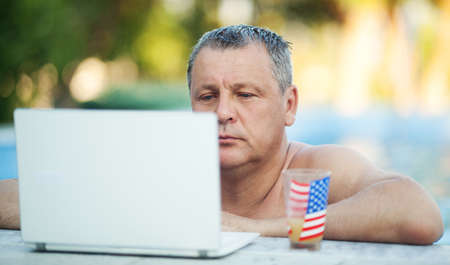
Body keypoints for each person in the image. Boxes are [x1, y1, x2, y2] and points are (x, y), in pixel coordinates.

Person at [0, 25, 444, 244]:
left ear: (289, 106)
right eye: (207, 96)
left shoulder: (308, 176)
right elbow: (16, 197)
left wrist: (258, 229)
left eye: (246, 95)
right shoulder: (162, 173)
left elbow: (418, 214)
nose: (223, 113)